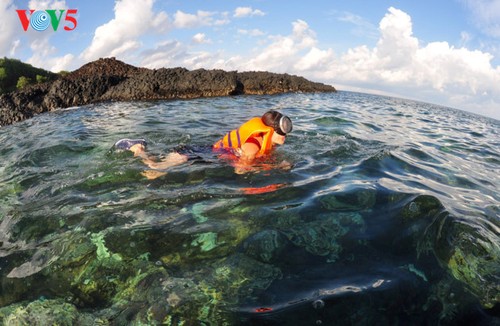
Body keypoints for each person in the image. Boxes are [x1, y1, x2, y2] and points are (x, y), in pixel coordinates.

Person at [114, 110, 293, 178]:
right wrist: (275, 168)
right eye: (282, 131)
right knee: (154, 171)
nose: (285, 135)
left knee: (156, 170)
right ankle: (136, 147)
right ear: (271, 130)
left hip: (204, 153)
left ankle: (142, 148)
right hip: (194, 153)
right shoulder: (253, 145)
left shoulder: (266, 142)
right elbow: (240, 170)